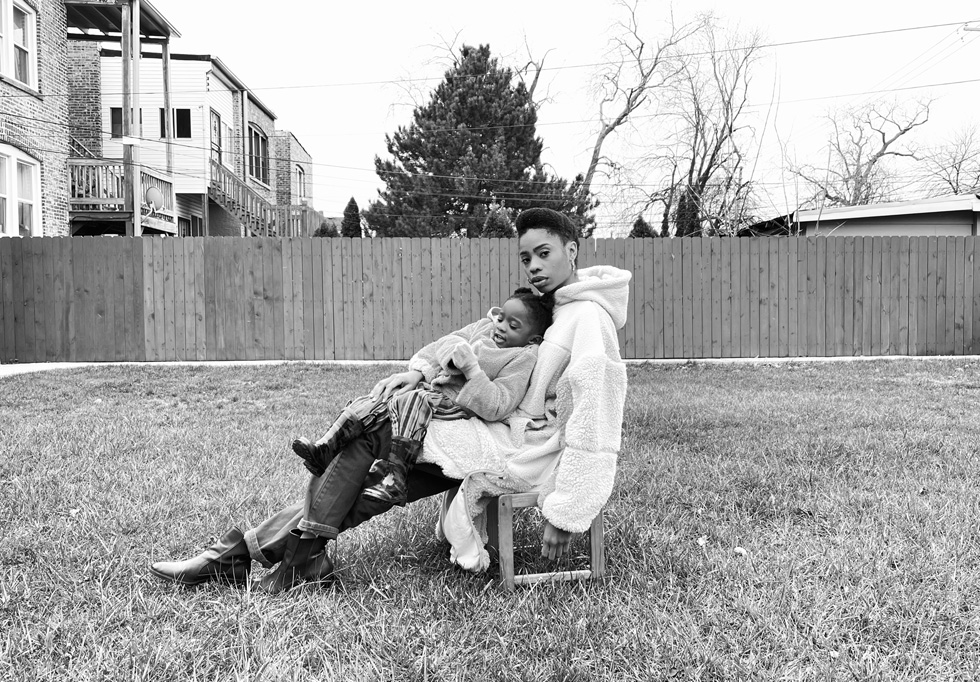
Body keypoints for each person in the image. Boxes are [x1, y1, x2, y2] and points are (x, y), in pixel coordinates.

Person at [149, 207, 631, 593]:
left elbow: (597, 418)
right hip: (489, 431)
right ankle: (271, 557)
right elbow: (469, 334)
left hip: (523, 450)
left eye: (544, 253)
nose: (535, 266)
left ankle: (245, 556)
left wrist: (570, 509)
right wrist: (416, 370)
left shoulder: (587, 319)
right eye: (526, 258)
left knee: (377, 430)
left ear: (572, 250)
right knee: (372, 453)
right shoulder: (547, 306)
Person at [291, 287, 553, 508]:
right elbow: (445, 342)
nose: (501, 326)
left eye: (513, 325)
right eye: (501, 317)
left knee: (413, 401)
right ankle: (325, 446)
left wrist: (472, 369)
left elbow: (499, 404)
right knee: (380, 398)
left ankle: (396, 477)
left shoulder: (523, 357)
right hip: (433, 391)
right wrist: (448, 357)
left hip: (458, 404)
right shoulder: (484, 328)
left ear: (533, 338)